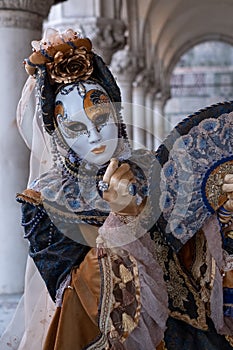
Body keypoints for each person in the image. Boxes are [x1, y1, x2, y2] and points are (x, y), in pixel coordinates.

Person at [2, 27, 233, 349]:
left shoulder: (151, 169)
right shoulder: (44, 201)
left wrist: (219, 209)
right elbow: (80, 298)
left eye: (101, 120)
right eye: (75, 127)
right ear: (56, 132)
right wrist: (122, 219)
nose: (95, 137)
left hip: (187, 327)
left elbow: (185, 256)